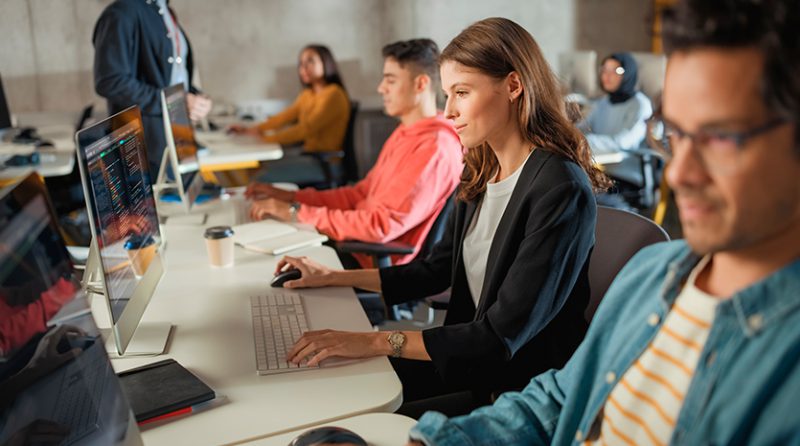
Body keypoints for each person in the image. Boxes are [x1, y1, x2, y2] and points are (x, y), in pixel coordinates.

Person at [407, 0, 800, 444]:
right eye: (676, 135)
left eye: (722, 137)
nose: (678, 174)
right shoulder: (653, 276)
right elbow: (557, 401)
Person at [276, 18, 609, 413]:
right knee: (325, 381)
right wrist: (331, 276)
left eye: (462, 93)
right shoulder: (481, 169)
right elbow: (434, 270)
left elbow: (497, 338)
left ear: (513, 86)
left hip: (515, 390)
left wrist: (373, 341)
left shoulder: (559, 188)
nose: (448, 111)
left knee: (348, 407)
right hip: (467, 360)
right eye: (447, 94)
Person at [246, 39, 463, 268]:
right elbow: (359, 194)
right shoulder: (406, 132)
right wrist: (291, 198)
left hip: (370, 262)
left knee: (261, 265)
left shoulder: (434, 148)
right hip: (351, 240)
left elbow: (379, 226)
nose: (381, 88)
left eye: (390, 80)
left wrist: (295, 212)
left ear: (420, 84)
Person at [93, 0, 212, 178]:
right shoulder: (121, 13)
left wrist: (195, 98)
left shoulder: (162, 10)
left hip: (179, 139)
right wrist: (173, 102)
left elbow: (171, 76)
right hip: (147, 149)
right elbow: (111, 81)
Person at [229, 45, 351, 185]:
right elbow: (284, 117)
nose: (304, 68)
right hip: (309, 157)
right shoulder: (308, 94)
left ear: (326, 62)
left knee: (256, 176)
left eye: (310, 61)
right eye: (301, 64)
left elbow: (305, 129)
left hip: (325, 164)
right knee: (253, 169)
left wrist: (265, 139)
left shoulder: (334, 94)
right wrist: (252, 130)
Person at [579, 53, 653, 155]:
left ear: (629, 74)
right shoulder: (603, 102)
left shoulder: (641, 104)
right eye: (604, 70)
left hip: (627, 162)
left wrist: (585, 140)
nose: (607, 76)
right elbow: (583, 127)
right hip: (599, 159)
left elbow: (624, 142)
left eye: (617, 71)